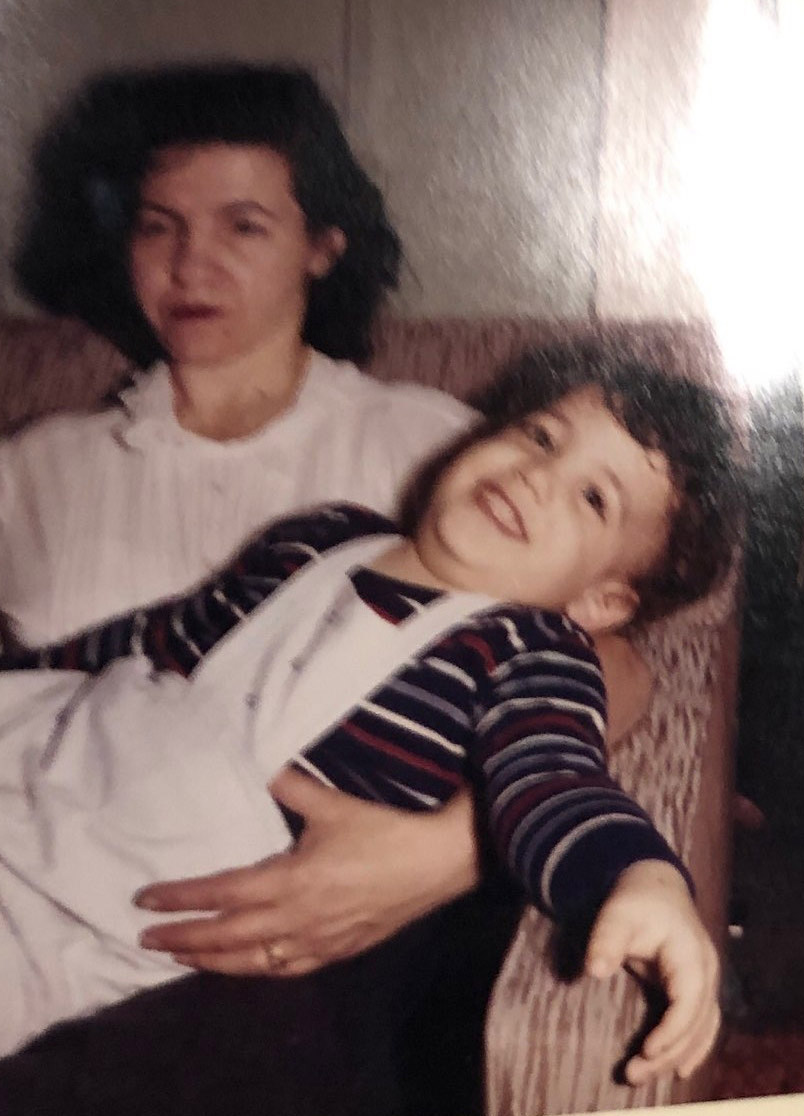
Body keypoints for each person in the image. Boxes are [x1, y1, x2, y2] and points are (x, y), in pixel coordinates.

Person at [3, 59, 650, 989]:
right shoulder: (35, 469)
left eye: (243, 225)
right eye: (158, 225)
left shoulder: (437, 451)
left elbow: (603, 665)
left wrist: (449, 850)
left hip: (257, 960)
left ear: (323, 243)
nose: (191, 264)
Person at [0, 350, 738, 1104]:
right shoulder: (321, 537)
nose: (537, 476)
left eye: (593, 498)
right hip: (61, 766)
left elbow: (554, 781)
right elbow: (160, 640)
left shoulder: (533, 653)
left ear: (602, 601)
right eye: (541, 437)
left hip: (137, 896)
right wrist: (30, 669)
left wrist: (639, 878)